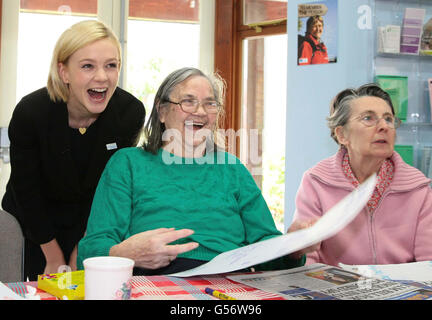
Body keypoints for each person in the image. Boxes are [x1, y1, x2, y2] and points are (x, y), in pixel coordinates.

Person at [77, 67, 311, 275]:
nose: (200, 111)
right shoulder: (128, 163)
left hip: (230, 282)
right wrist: (126, 253)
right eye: (188, 102)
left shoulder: (233, 169)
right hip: (158, 279)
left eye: (210, 103)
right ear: (161, 110)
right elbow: (90, 251)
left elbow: (266, 252)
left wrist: (292, 247)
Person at [1, 20, 145, 280]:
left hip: (91, 222)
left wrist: (83, 246)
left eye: (111, 65)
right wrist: (53, 255)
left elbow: (110, 189)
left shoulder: (130, 113)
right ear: (64, 72)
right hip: (31, 225)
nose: (102, 76)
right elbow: (27, 190)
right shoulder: (31, 113)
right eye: (88, 66)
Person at [293, 83, 432, 266]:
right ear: (342, 135)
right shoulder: (316, 182)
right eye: (368, 118)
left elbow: (428, 264)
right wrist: (295, 247)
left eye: (389, 119)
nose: (384, 126)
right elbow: (307, 261)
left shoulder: (418, 188)